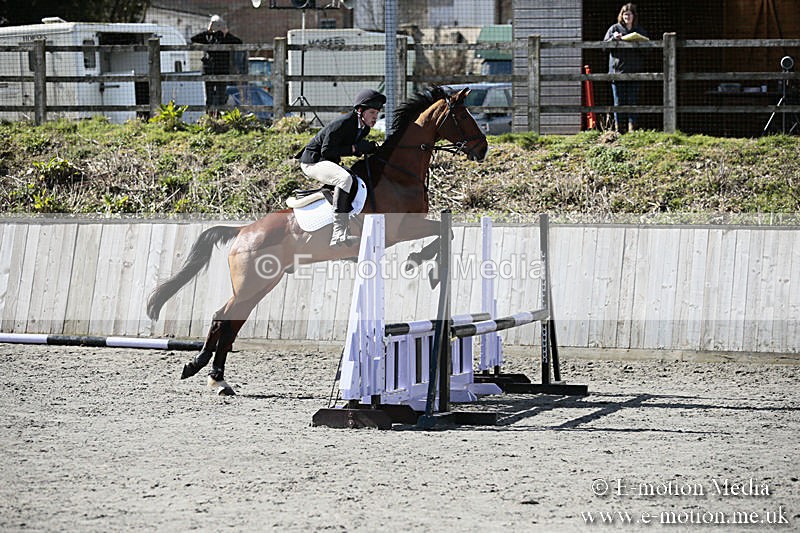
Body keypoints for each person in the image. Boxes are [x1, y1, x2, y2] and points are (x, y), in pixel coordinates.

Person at [296, 89, 386, 247]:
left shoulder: (364, 128)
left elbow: (345, 149)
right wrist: (355, 149)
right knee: (344, 179)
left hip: (328, 161)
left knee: (356, 179)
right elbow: (327, 150)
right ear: (360, 111)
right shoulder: (343, 123)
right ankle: (338, 232)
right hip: (313, 162)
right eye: (372, 112)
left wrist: (365, 149)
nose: (375, 117)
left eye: (377, 113)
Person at [604, 3, 649, 132]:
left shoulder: (639, 31)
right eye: (625, 14)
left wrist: (639, 43)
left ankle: (632, 128)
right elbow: (603, 46)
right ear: (621, 16)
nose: (627, 17)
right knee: (618, 101)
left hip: (634, 71)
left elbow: (648, 48)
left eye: (630, 14)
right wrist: (613, 39)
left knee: (632, 100)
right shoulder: (614, 29)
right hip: (617, 71)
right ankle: (619, 129)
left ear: (634, 16)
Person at [191, 15, 243, 114]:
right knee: (209, 97)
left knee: (221, 97)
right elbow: (193, 39)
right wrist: (209, 31)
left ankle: (219, 117)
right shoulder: (208, 37)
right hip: (209, 70)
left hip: (222, 70)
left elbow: (239, 42)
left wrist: (226, 33)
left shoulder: (226, 38)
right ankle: (209, 117)